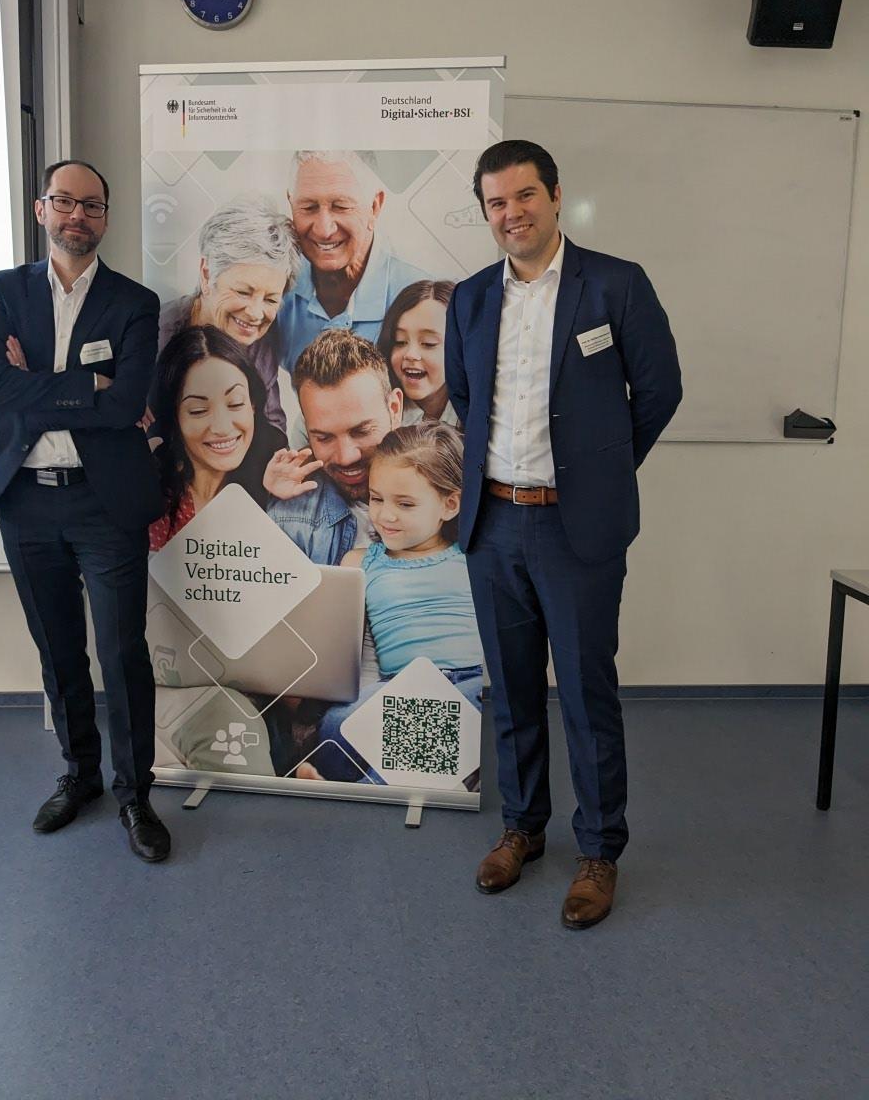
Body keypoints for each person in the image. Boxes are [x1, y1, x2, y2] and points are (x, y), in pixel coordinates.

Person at [445, 139, 682, 928]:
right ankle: (522, 828)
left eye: (525, 196)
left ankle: (599, 851)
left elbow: (659, 390)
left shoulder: (615, 284)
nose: (511, 213)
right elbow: (466, 395)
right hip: (493, 524)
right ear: (486, 213)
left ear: (554, 196)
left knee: (585, 692)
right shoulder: (471, 298)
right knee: (512, 692)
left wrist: (599, 471)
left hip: (575, 527)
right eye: (496, 203)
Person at [0, 160, 172, 863]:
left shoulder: (135, 302)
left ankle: (135, 794)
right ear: (41, 209)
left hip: (104, 503)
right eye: (65, 202)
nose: (78, 215)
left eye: (92, 205)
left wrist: (41, 383)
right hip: (23, 499)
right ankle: (81, 775)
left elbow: (126, 401)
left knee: (121, 652)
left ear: (106, 215)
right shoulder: (3, 290)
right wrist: (86, 386)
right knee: (57, 648)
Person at [302, 421, 484, 783]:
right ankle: (364, 783)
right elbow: (346, 653)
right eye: (376, 498)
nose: (385, 515)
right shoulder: (360, 563)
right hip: (399, 686)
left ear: (450, 504)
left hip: (469, 681)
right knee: (337, 723)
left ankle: (369, 792)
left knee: (444, 716)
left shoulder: (472, 557)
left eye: (405, 504)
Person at [275, 150, 429, 372]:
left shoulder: (426, 300)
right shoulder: (274, 287)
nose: (324, 230)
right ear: (291, 205)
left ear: (374, 206)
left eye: (341, 207)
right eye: (308, 208)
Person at [158, 197, 300, 433]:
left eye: (270, 299)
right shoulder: (154, 334)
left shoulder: (258, 344)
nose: (255, 313)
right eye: (243, 292)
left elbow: (272, 427)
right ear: (206, 275)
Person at [263, 328, 403, 565]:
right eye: (324, 438)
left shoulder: (448, 490)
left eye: (361, 431)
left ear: (394, 409)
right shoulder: (287, 521)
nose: (346, 457)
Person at [148, 324, 287, 548]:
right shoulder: (154, 500)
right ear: (174, 417)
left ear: (253, 404)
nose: (222, 427)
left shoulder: (274, 487)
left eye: (235, 403)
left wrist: (280, 506)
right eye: (198, 410)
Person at [376, 279, 460, 427]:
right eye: (400, 341)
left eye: (428, 343)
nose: (410, 354)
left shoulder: (486, 412)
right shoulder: (379, 416)